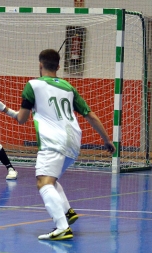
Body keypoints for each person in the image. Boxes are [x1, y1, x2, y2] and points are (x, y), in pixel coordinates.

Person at [16, 49, 115, 240]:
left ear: (40, 64)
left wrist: (11, 112)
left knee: (43, 183)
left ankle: (62, 227)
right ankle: (67, 212)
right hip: (73, 141)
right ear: (59, 67)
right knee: (52, 180)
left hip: (53, 141)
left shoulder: (32, 85)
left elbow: (22, 118)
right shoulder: (69, 88)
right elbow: (90, 115)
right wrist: (106, 139)